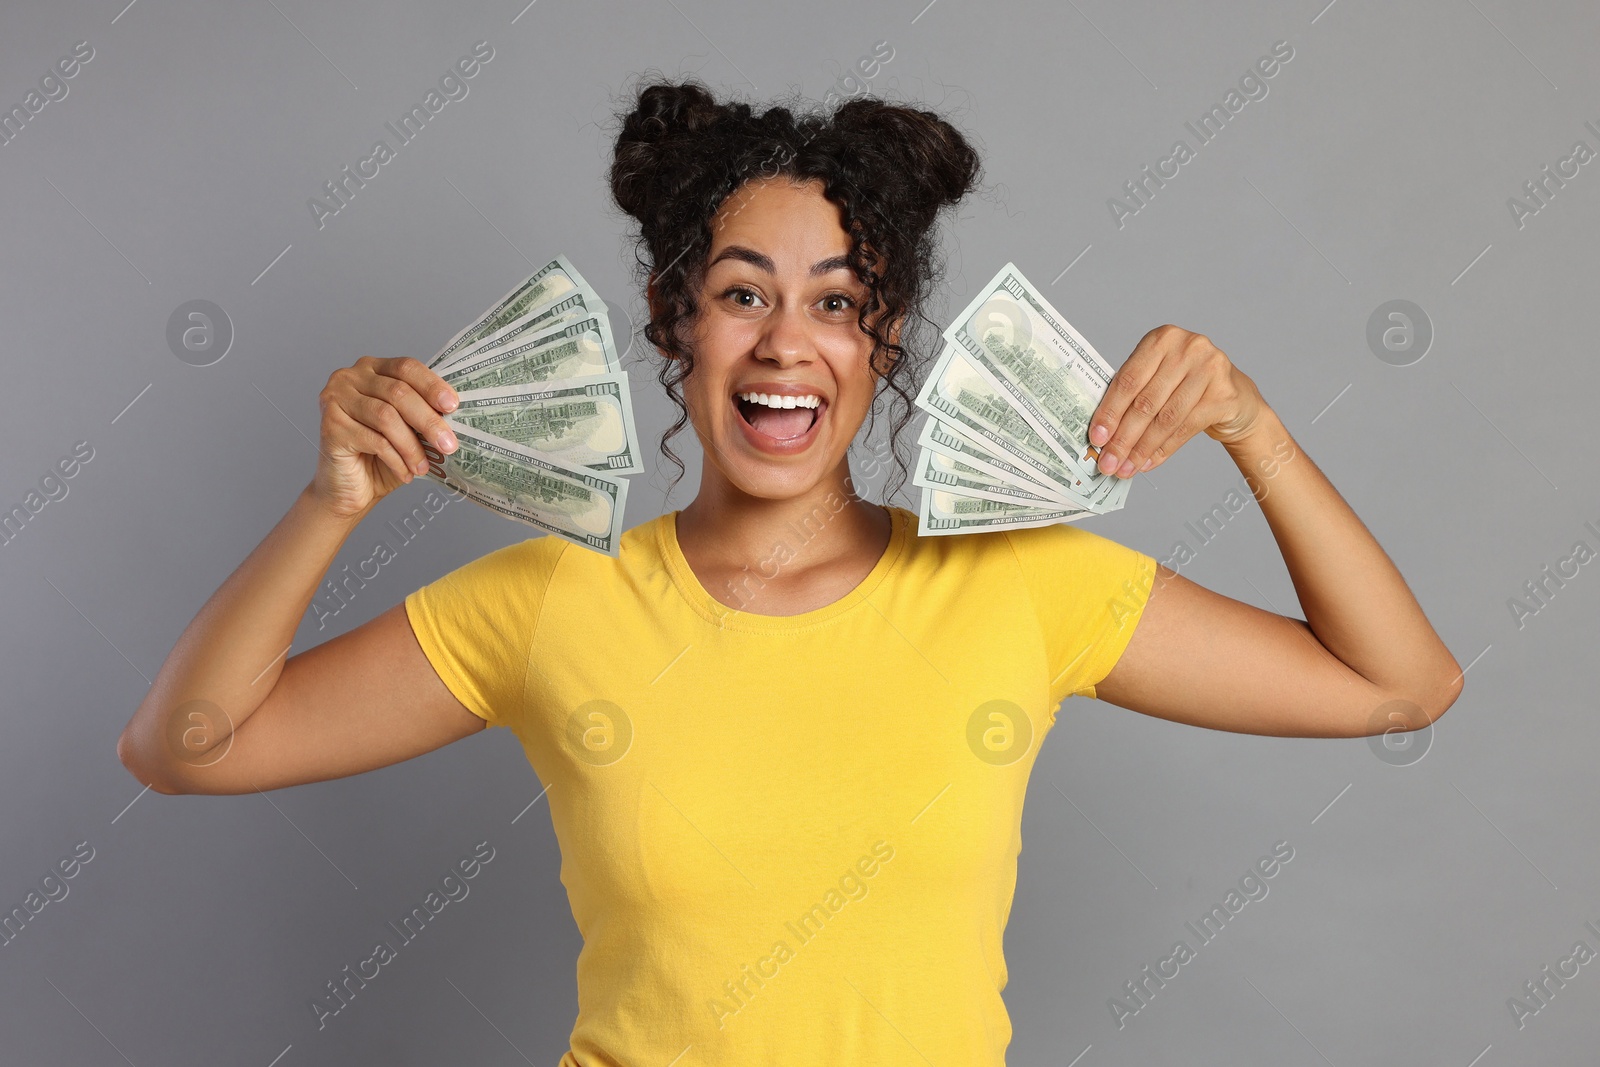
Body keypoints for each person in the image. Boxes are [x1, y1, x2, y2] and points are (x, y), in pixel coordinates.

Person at [117, 78, 1463, 1064]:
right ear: (674, 317)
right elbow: (185, 748)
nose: (784, 345)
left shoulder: (1016, 589)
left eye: (835, 302)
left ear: (881, 341)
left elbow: (1400, 686)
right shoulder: (549, 603)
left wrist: (1254, 426)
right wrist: (330, 501)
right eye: (743, 292)